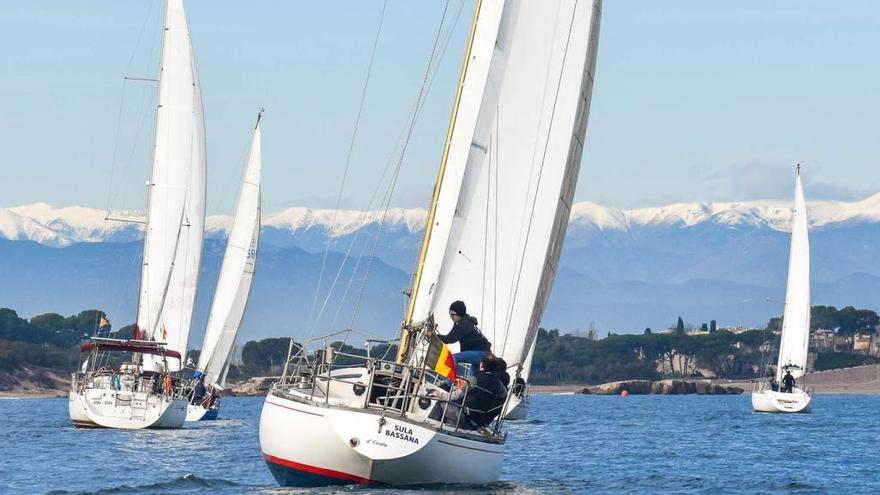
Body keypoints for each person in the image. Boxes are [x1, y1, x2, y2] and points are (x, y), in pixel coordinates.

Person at [429, 354, 507, 429]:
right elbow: (503, 398)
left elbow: (456, 395)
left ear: (481, 365)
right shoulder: (500, 385)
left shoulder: (473, 380)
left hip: (465, 418)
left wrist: (439, 394)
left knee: (441, 404)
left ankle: (430, 428)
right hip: (479, 421)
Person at [432, 300, 492, 378]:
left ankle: (447, 384)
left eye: (452, 314)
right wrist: (435, 335)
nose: (451, 317)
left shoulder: (464, 324)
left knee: (453, 358)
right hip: (482, 354)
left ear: (459, 314)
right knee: (471, 381)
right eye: (450, 314)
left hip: (482, 354)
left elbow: (449, 339)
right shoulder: (461, 322)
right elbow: (450, 336)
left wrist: (433, 336)